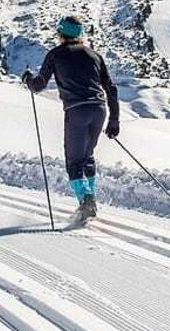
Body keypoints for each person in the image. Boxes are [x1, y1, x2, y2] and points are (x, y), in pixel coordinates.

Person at [23, 15, 119, 224]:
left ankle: (86, 201)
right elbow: (111, 88)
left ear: (60, 34)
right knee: (87, 155)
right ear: (80, 35)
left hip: (77, 110)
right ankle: (89, 198)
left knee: (74, 161)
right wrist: (114, 120)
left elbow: (39, 85)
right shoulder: (94, 55)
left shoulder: (55, 55)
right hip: (99, 109)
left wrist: (28, 80)